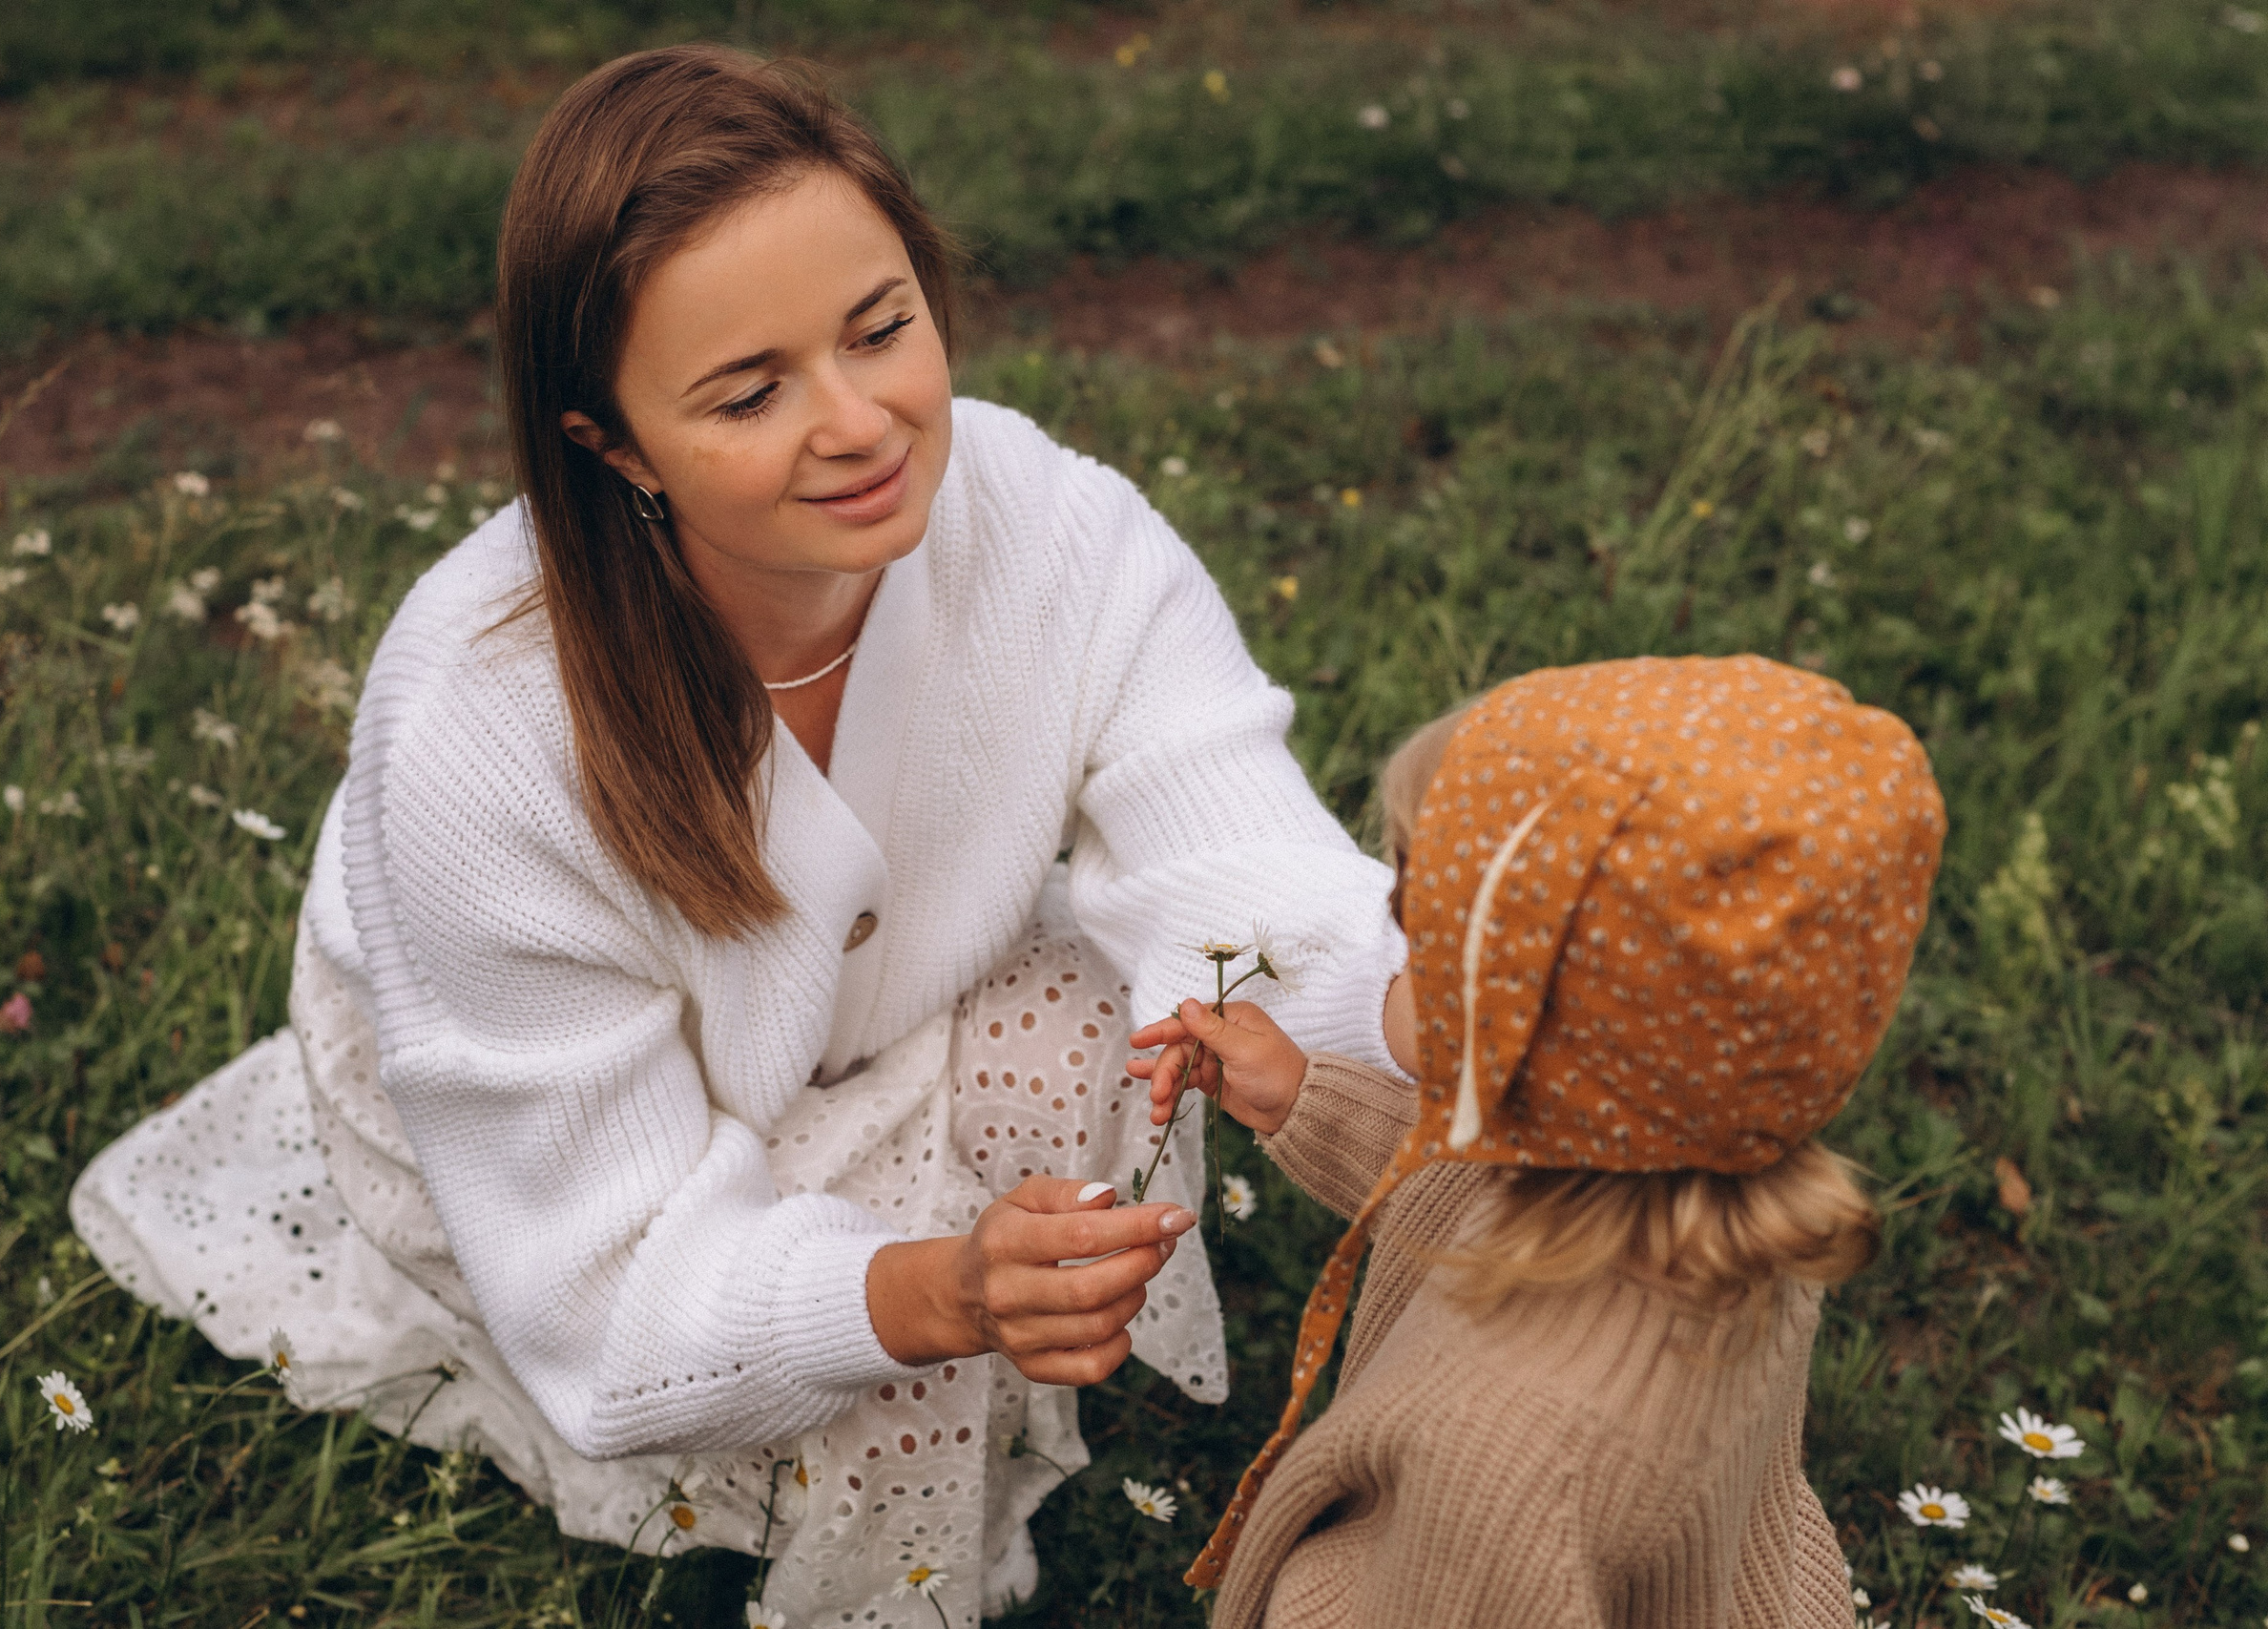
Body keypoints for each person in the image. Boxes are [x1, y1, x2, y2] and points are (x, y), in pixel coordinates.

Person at [70, 44, 1408, 1627]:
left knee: (1087, 1002)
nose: (861, 422)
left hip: (868, 1026)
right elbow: (611, 1277)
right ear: (613, 446)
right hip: (562, 1158)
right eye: (750, 390)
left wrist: (1450, 1016)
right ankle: (792, 1511)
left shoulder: (1054, 525)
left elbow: (1244, 870)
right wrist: (936, 1290)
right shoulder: (479, 739)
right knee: (750, 1349)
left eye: (881, 327)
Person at [1126, 654, 1948, 1629]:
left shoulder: (1500, 1459)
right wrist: (1307, 1099)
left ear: (1546, 1037)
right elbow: (1485, 1202)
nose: (1391, 959)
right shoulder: (1733, 1205)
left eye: (1418, 936)